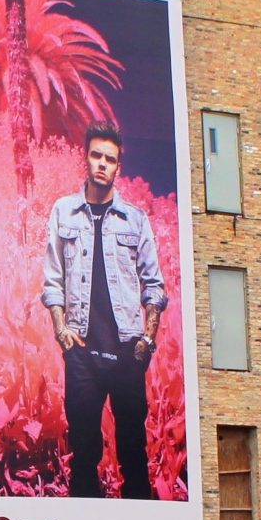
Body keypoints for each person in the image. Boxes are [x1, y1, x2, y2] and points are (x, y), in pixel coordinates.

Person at [41, 122, 168, 499]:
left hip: (128, 351)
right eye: (96, 155)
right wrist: (62, 332)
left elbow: (155, 286)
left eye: (109, 159)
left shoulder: (135, 219)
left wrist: (147, 339)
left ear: (118, 166)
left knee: (133, 450)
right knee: (83, 454)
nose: (101, 164)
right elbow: (53, 279)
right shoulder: (63, 212)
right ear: (86, 158)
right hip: (81, 351)